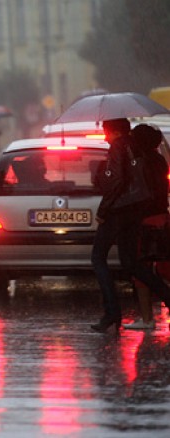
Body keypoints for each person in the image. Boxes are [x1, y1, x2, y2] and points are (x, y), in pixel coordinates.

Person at [91, 118, 170, 333]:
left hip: (118, 210)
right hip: (136, 211)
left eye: (106, 133)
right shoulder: (138, 148)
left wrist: (103, 210)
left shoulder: (119, 146)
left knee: (98, 258)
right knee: (131, 262)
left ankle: (111, 314)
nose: (105, 138)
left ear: (114, 132)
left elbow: (116, 180)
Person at [122, 124, 169, 330]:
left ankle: (147, 319)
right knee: (165, 268)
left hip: (145, 221)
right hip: (162, 218)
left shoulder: (140, 163)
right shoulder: (159, 160)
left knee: (141, 271)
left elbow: (139, 192)